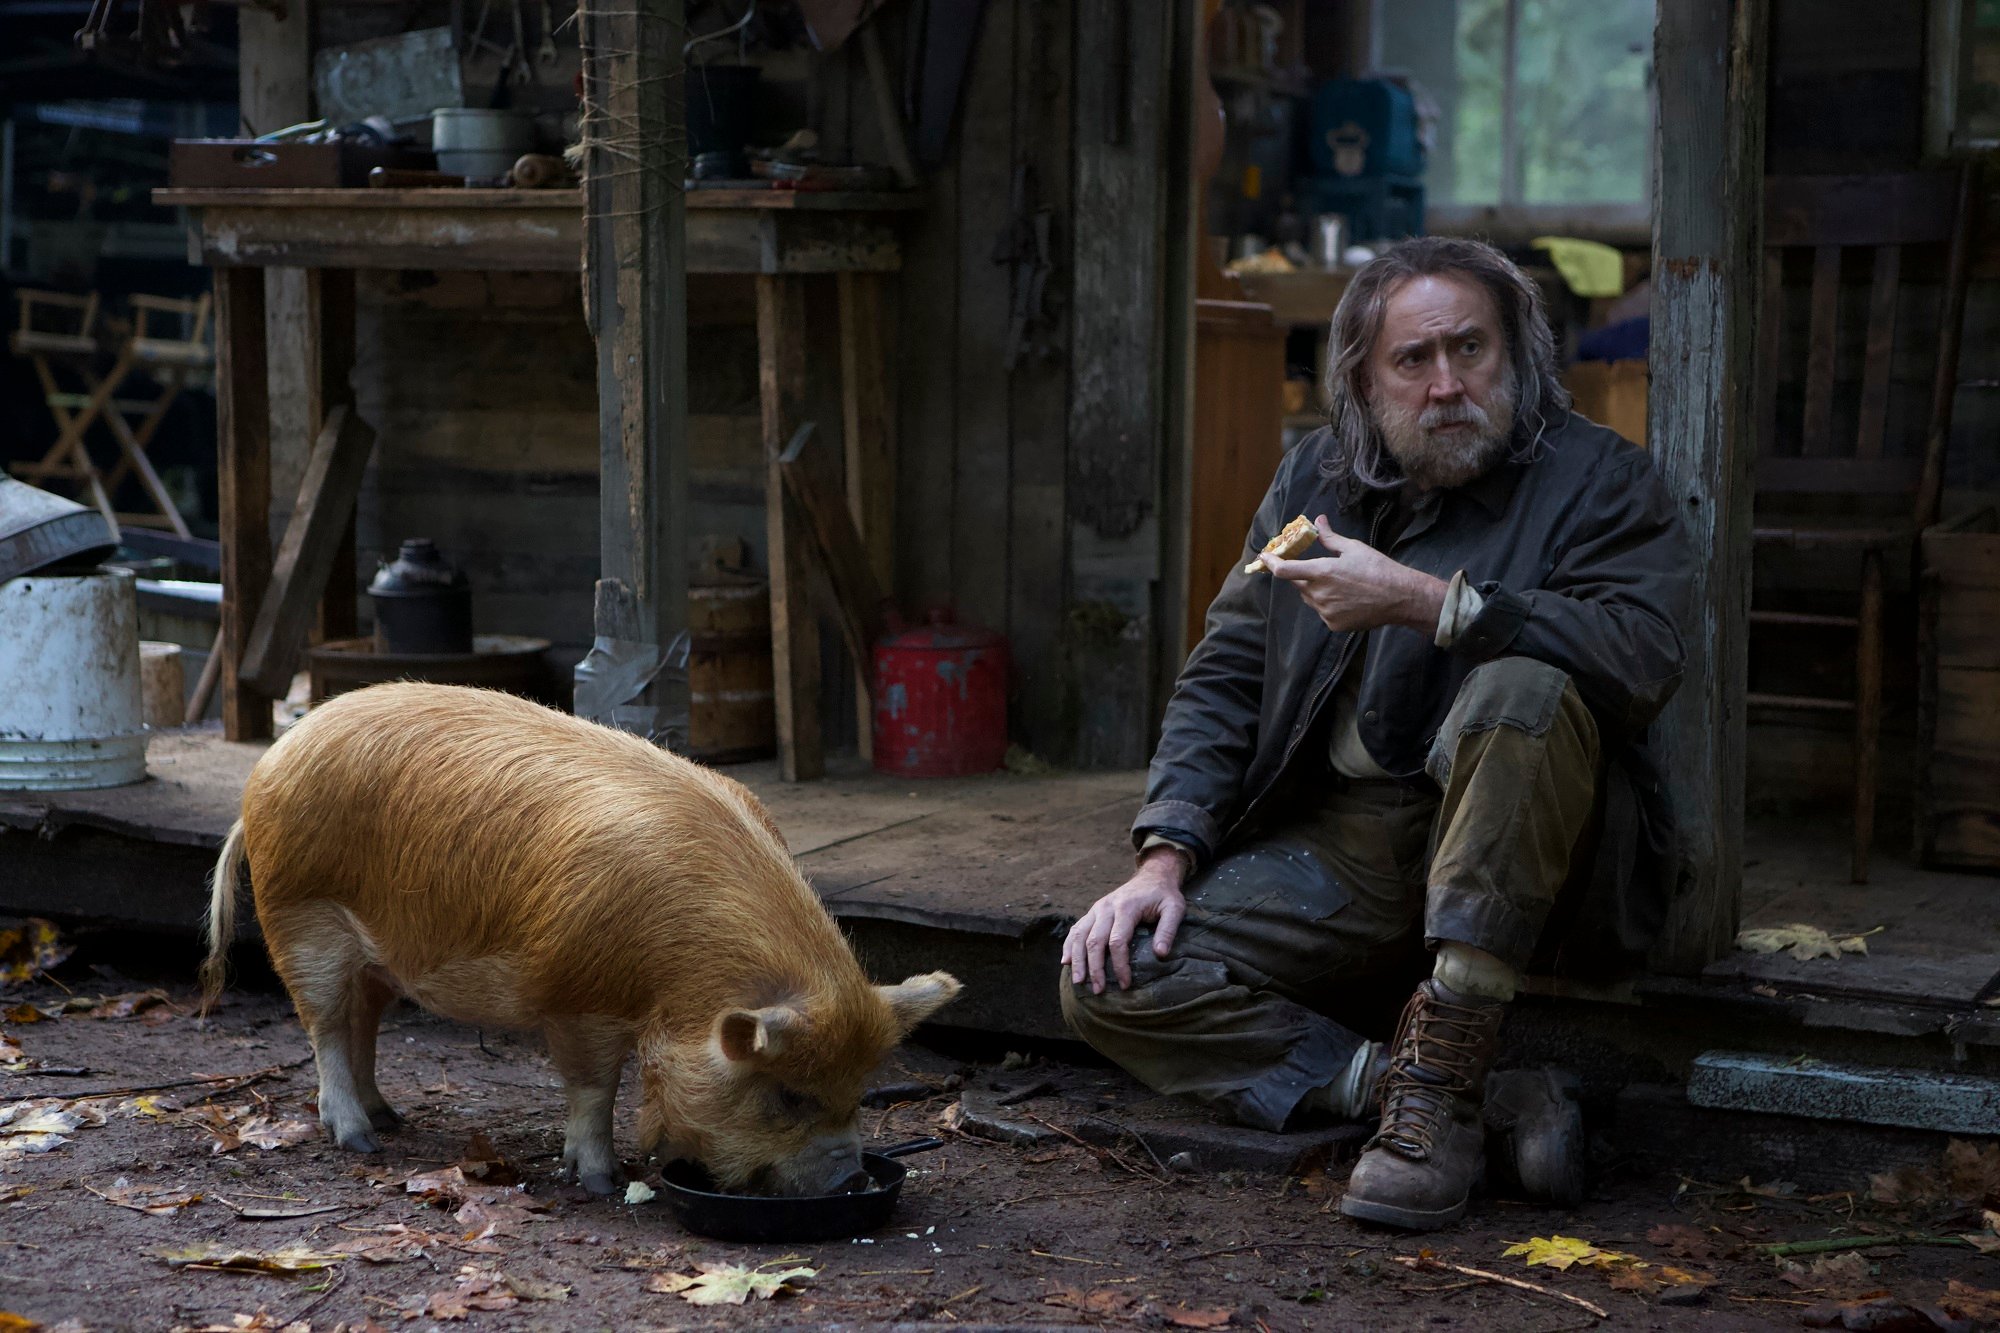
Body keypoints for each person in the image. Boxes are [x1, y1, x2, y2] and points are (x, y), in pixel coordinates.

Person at [1058, 237, 1693, 1231]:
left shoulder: (1599, 479)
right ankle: (1432, 1089)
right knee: (1110, 971)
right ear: (1361, 381)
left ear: (1517, 355)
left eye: (1470, 349)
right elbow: (1226, 670)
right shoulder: (1314, 478)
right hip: (1347, 849)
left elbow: (1642, 655)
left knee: (1520, 688)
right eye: (1413, 360)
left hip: (1535, 849)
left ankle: (1431, 1111)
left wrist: (1430, 603)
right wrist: (1163, 857)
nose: (1447, 384)